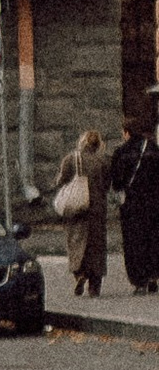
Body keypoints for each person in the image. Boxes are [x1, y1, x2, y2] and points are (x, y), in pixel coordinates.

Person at [59, 124, 111, 299]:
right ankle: (94, 287)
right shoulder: (104, 161)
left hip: (76, 209)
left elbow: (60, 180)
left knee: (76, 243)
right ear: (98, 144)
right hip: (97, 209)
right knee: (97, 247)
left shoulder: (71, 159)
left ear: (82, 142)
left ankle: (79, 274)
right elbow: (107, 185)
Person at [122, 105, 159, 298]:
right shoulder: (153, 149)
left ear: (126, 132)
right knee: (153, 239)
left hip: (132, 205)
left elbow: (118, 181)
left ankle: (139, 280)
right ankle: (154, 274)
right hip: (153, 204)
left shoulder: (122, 152)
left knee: (134, 242)